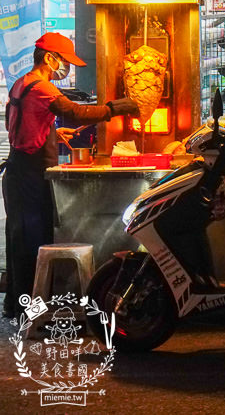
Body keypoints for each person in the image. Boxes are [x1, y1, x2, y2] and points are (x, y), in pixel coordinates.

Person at [2, 33, 138, 318]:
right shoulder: (41, 86)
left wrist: (52, 131)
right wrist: (115, 108)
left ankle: (16, 305)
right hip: (27, 176)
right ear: (50, 59)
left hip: (18, 174)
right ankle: (31, 313)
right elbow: (75, 112)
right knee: (30, 243)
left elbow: (20, 122)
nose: (66, 68)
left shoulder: (21, 83)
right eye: (64, 61)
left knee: (20, 241)